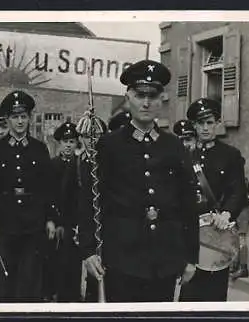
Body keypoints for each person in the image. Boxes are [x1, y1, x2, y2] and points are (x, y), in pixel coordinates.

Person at [81, 60, 199, 302]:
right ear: (128, 97)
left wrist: (191, 257)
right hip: (121, 258)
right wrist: (88, 251)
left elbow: (187, 205)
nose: (146, 103)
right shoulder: (109, 145)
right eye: (139, 95)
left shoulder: (174, 146)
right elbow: (90, 200)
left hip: (164, 258)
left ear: (161, 100)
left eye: (153, 96)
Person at [0, 90, 58, 302]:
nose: (20, 121)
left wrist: (51, 218)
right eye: (15, 117)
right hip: (5, 222)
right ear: (7, 119)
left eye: (24, 116)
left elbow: (47, 187)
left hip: (33, 222)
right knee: (6, 277)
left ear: (30, 118)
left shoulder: (40, 149)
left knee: (32, 277)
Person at [179, 98, 247, 302]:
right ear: (194, 125)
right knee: (187, 295)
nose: (205, 128)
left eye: (210, 122)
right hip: (188, 233)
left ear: (218, 123)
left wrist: (226, 214)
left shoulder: (230, 155)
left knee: (214, 295)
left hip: (216, 234)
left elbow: (238, 191)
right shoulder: (183, 155)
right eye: (200, 123)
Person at [59, 118, 107, 302]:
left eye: (96, 135)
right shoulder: (78, 163)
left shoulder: (109, 162)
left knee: (99, 274)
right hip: (81, 225)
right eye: (87, 136)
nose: (91, 140)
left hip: (103, 225)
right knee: (72, 269)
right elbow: (66, 197)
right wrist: (71, 224)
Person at [41, 121, 80, 302]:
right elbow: (47, 195)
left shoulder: (80, 166)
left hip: (73, 222)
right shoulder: (51, 165)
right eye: (65, 142)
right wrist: (53, 220)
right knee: (52, 258)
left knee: (72, 260)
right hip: (54, 220)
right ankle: (49, 292)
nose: (68, 145)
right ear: (59, 143)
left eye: (72, 142)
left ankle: (70, 294)